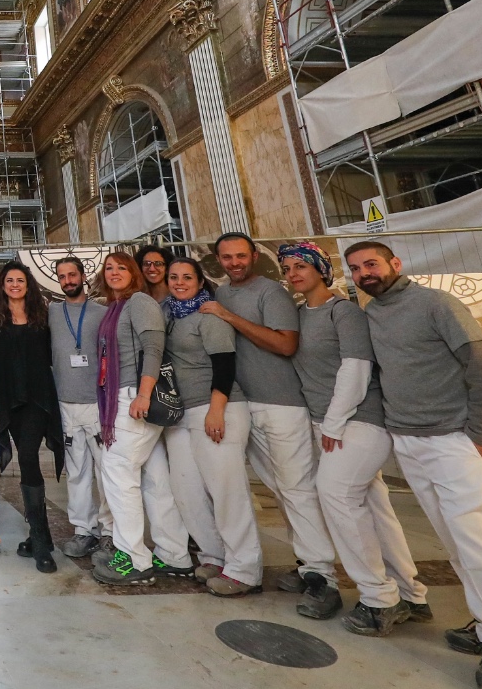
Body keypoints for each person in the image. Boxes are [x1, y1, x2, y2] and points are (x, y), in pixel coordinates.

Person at [347, 240, 482, 689]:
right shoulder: (371, 314)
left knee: (477, 538)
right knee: (455, 540)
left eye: (371, 264)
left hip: (454, 439)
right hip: (409, 440)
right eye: (355, 268)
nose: (364, 273)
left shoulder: (436, 303)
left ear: (395, 263)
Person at [278, 242, 428, 634]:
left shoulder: (342, 311)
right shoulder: (299, 314)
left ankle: (379, 598)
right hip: (324, 422)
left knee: (336, 494)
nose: (293, 273)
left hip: (357, 421)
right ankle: (411, 592)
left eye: (301, 265)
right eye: (286, 267)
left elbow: (356, 368)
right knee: (374, 506)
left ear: (320, 270)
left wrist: (333, 423)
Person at [202, 233, 338, 608]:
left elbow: (285, 344)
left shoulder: (271, 292)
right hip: (246, 404)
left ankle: (323, 575)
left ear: (253, 257)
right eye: (227, 257)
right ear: (218, 260)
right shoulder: (221, 294)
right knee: (280, 490)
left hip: (281, 404)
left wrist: (229, 317)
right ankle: (307, 560)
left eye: (241, 256)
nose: (235, 263)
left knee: (297, 488)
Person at [160, 257, 264, 598]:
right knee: (187, 489)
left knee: (226, 489)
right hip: (182, 413)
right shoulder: (171, 315)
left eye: (187, 277)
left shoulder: (210, 314)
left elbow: (224, 364)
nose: (179, 282)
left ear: (199, 281)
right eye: (173, 276)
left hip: (217, 407)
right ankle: (214, 555)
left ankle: (245, 568)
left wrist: (216, 410)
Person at [95, 252, 195, 587]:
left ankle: (133, 558)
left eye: (121, 267)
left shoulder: (139, 301)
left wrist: (143, 394)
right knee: (155, 481)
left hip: (133, 400)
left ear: (134, 273)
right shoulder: (116, 307)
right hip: (124, 398)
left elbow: (154, 348)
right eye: (109, 268)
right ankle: (174, 554)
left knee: (119, 475)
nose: (114, 272)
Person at [0, 260, 63, 573]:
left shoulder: (43, 317)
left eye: (20, 280)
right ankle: (35, 535)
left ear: (28, 285)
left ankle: (42, 539)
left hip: (37, 399)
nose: (14, 285)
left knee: (29, 456)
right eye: (9, 281)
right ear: (2, 286)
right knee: (24, 457)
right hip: (8, 400)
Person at [47, 255, 110, 560]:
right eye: (62, 276)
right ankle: (84, 530)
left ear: (83, 276)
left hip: (97, 403)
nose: (68, 280)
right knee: (76, 472)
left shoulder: (102, 313)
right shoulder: (52, 313)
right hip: (65, 403)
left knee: (106, 471)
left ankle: (111, 532)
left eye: (72, 275)